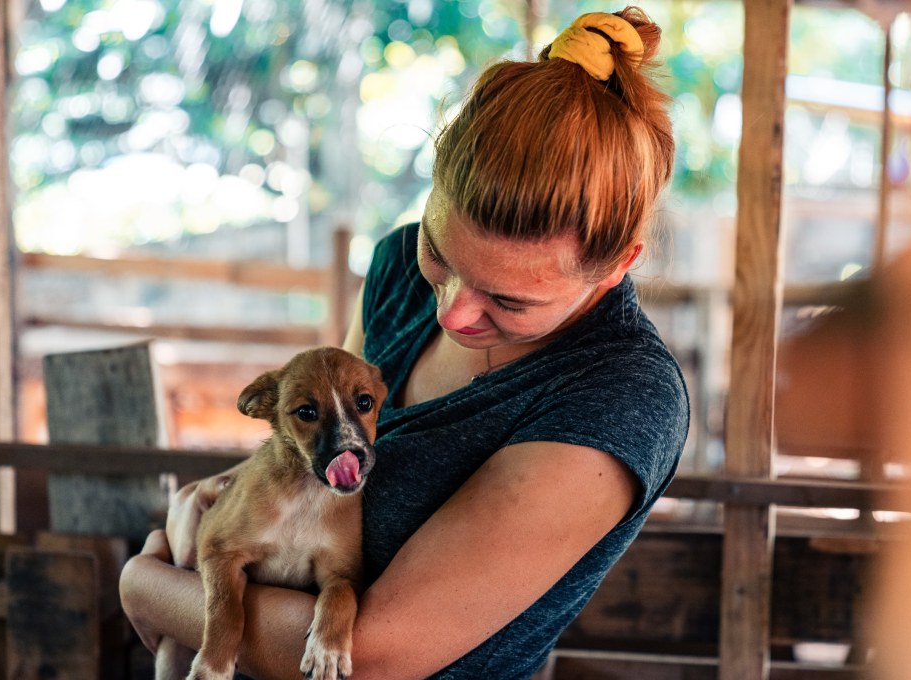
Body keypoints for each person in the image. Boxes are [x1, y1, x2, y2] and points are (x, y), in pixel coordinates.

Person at [120, 6, 689, 679]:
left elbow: (374, 660)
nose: (451, 312)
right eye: (439, 255)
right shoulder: (394, 271)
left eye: (508, 300)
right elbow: (317, 458)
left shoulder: (619, 397)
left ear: (619, 263)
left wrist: (147, 588)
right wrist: (229, 493)